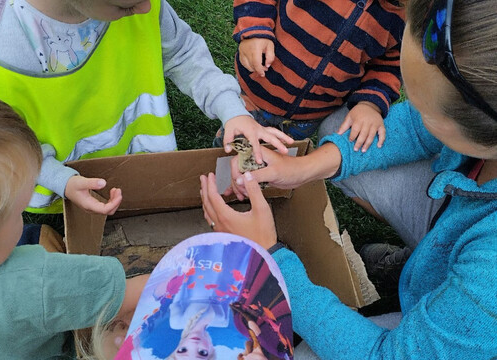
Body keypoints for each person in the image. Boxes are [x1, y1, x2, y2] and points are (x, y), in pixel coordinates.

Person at [201, 0, 497, 357]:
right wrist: (303, 168)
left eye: (422, 107)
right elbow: (415, 130)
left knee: (306, 351)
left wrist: (272, 257)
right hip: (467, 244)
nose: (409, 113)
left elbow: (384, 355)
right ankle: (428, 265)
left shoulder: (490, 274)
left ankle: (437, 282)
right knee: (350, 131)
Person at [0, 0, 292, 215]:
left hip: (139, 164)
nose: (147, 9)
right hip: (61, 187)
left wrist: (231, 109)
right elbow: (0, 149)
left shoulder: (141, 3)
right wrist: (61, 179)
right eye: (126, 5)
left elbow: (184, 53)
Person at [0, 86, 150, 359]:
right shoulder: (35, 281)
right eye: (19, 211)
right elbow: (147, 290)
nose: (22, 217)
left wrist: (64, 181)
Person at [213, 0, 405, 153]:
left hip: (310, 115)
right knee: (232, 149)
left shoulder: (406, 18)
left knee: (275, 159)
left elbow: (391, 65)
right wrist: (254, 29)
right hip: (257, 89)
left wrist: (369, 104)